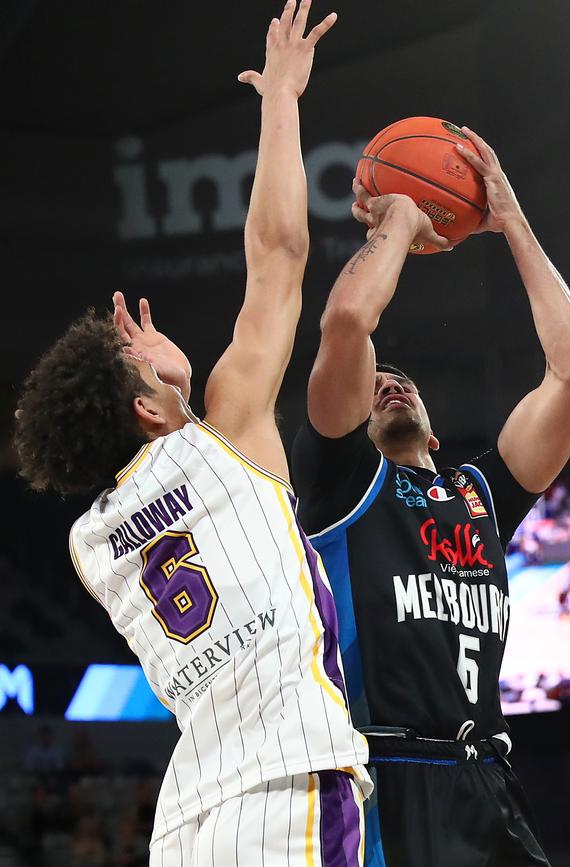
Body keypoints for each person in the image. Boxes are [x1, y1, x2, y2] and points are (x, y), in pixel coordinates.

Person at [15, 3, 371, 864]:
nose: (154, 339)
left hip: (186, 823)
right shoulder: (229, 426)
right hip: (286, 780)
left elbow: (175, 489)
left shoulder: (89, 542)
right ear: (146, 406)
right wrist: (280, 97)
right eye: (138, 356)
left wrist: (162, 387)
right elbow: (279, 254)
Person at [291, 127, 570, 866]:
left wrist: (510, 221)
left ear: (433, 433)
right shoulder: (341, 482)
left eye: (403, 381)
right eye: (373, 385)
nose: (388, 383)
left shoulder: (479, 494)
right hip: (386, 776)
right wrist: (400, 218)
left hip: (488, 775)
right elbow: (345, 322)